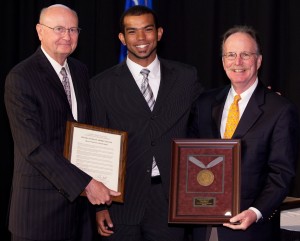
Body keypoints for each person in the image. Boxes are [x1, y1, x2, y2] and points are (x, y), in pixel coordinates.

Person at [4, 4, 120, 241]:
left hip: (79, 215)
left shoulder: (80, 71)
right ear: (39, 31)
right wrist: (87, 184)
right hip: (39, 213)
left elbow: (88, 136)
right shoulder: (21, 77)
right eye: (58, 28)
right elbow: (34, 147)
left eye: (73, 29)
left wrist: (99, 206)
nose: (67, 36)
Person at [89, 5, 202, 241]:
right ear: (122, 38)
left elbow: (211, 111)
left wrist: (250, 98)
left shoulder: (186, 77)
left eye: (147, 30)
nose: (141, 38)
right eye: (132, 31)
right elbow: (97, 146)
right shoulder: (101, 85)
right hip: (121, 202)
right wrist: (99, 207)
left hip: (170, 201)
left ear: (159, 33)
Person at [188, 25, 299, 241]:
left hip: (251, 230)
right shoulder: (204, 103)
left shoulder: (280, 110)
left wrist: (256, 212)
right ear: (222, 62)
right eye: (231, 55)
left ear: (258, 61)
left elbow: (281, 174)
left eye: (245, 55)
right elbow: (191, 160)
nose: (237, 62)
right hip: (204, 228)